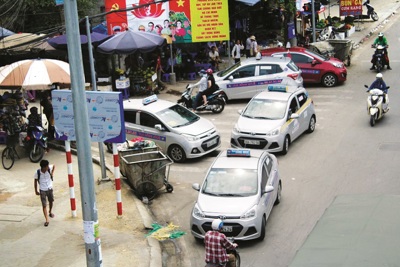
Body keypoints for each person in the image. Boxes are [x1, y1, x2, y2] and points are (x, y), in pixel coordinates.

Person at [34, 160, 56, 227]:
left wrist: (52, 173)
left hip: (49, 188)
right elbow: (35, 181)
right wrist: (36, 191)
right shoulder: (37, 172)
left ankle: (50, 212)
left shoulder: (49, 168)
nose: (48, 168)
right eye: (46, 167)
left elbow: (54, 165)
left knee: (51, 201)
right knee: (44, 205)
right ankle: (47, 220)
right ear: (43, 167)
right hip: (42, 190)